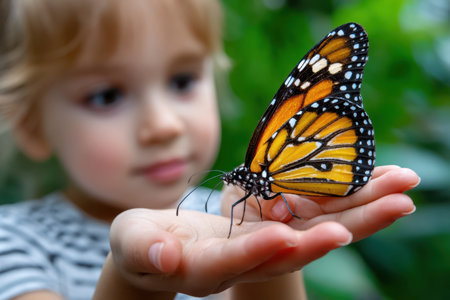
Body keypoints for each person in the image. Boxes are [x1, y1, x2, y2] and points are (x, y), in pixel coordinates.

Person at [0, 0, 419, 299]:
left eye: (182, 81)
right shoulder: (12, 243)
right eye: (107, 95)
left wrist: (270, 250)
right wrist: (136, 283)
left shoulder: (216, 212)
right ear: (31, 126)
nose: (163, 125)